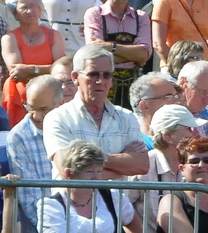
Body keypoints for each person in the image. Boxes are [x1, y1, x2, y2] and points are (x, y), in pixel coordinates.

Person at [41, 45, 148, 177]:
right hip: (74, 198)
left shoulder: (127, 117)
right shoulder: (57, 118)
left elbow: (142, 165)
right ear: (75, 77)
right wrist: (122, 162)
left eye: (107, 75)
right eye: (93, 74)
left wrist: (87, 164)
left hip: (116, 198)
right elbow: (68, 170)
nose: (100, 81)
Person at [82, 0, 149, 103]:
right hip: (102, 85)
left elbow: (144, 54)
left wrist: (110, 47)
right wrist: (132, 56)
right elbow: (95, 55)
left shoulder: (141, 17)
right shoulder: (94, 14)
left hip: (133, 88)